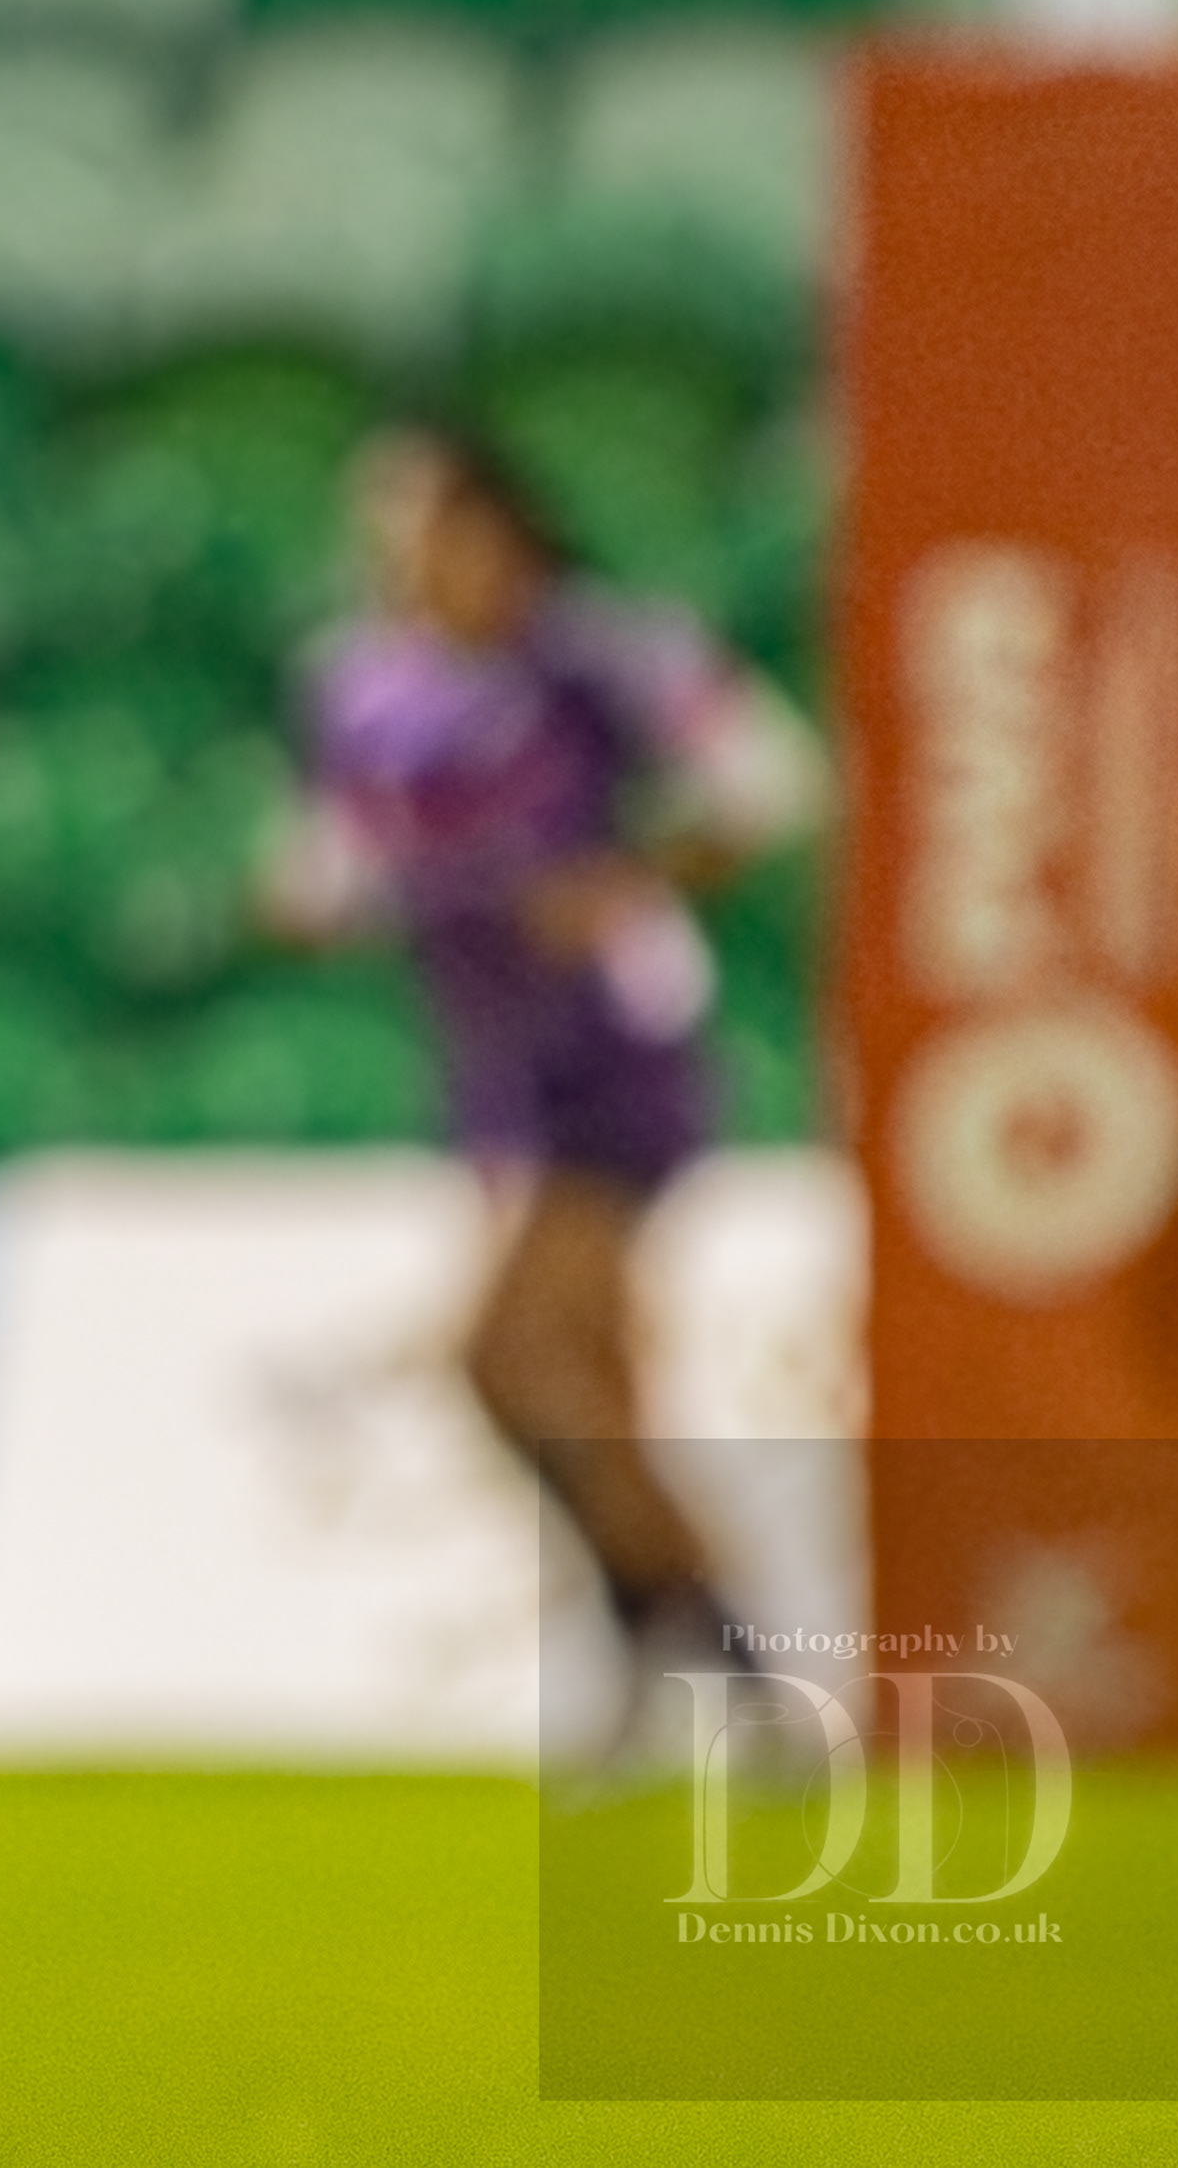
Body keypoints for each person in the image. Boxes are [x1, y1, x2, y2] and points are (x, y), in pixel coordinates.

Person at [264, 425, 820, 1684]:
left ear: (498, 532)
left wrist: (634, 872)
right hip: (495, 1064)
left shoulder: (600, 654)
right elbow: (330, 859)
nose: (403, 558)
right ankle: (697, 1662)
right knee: (589, 1388)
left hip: (616, 1046)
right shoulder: (359, 689)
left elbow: (771, 780)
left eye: (426, 528)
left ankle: (707, 1654)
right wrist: (313, 901)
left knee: (506, 1355)